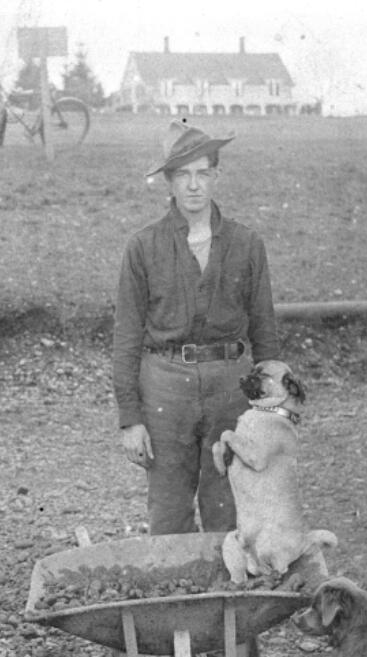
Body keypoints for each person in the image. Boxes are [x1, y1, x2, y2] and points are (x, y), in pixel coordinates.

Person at [112, 118, 281, 535]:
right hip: (166, 387)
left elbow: (265, 334)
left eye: (203, 173)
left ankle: (231, 598)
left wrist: (272, 411)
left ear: (216, 177)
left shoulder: (246, 244)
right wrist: (130, 418)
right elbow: (127, 337)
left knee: (230, 505)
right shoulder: (143, 247)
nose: (193, 185)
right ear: (169, 182)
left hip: (230, 385)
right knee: (169, 512)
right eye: (183, 175)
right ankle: (181, 601)